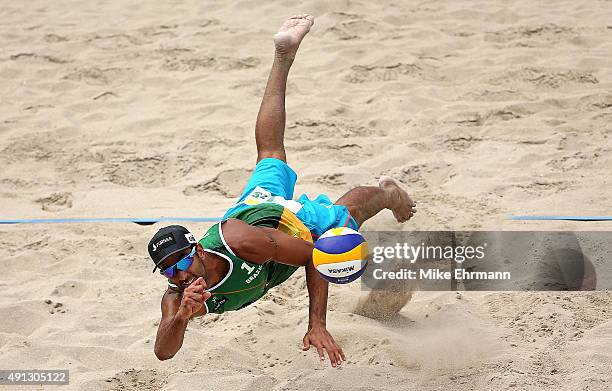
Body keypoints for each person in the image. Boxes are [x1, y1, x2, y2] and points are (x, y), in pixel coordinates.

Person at [147, 14, 416, 367]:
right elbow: (163, 352)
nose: (179, 275)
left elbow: (312, 255)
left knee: (340, 225)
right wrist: (181, 316)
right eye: (168, 271)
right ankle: (284, 54)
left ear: (197, 249)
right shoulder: (177, 295)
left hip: (276, 226)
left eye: (181, 262)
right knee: (270, 151)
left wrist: (316, 325)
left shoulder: (241, 244)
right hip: (248, 210)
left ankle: (387, 194)